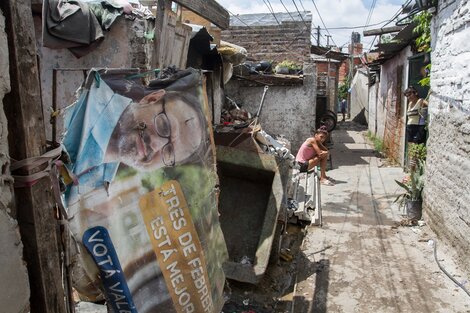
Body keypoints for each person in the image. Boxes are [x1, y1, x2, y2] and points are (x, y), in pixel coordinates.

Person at [63, 69, 208, 203]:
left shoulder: (101, 184)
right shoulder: (78, 103)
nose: (156, 145)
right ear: (151, 99)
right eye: (164, 126)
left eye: (169, 153)